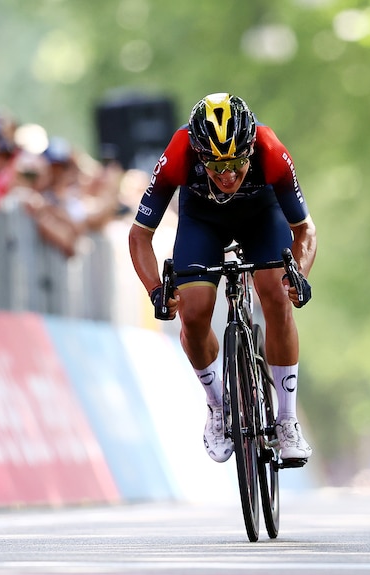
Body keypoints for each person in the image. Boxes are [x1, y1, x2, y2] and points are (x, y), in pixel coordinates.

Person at [128, 93, 317, 465]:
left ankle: (287, 420)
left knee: (277, 298)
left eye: (237, 162)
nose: (227, 174)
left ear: (250, 149)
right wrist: (155, 290)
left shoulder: (271, 150)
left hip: (263, 215)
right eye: (215, 164)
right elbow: (139, 235)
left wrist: (299, 274)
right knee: (194, 312)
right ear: (200, 154)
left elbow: (304, 230)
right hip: (203, 220)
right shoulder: (179, 151)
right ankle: (217, 406)